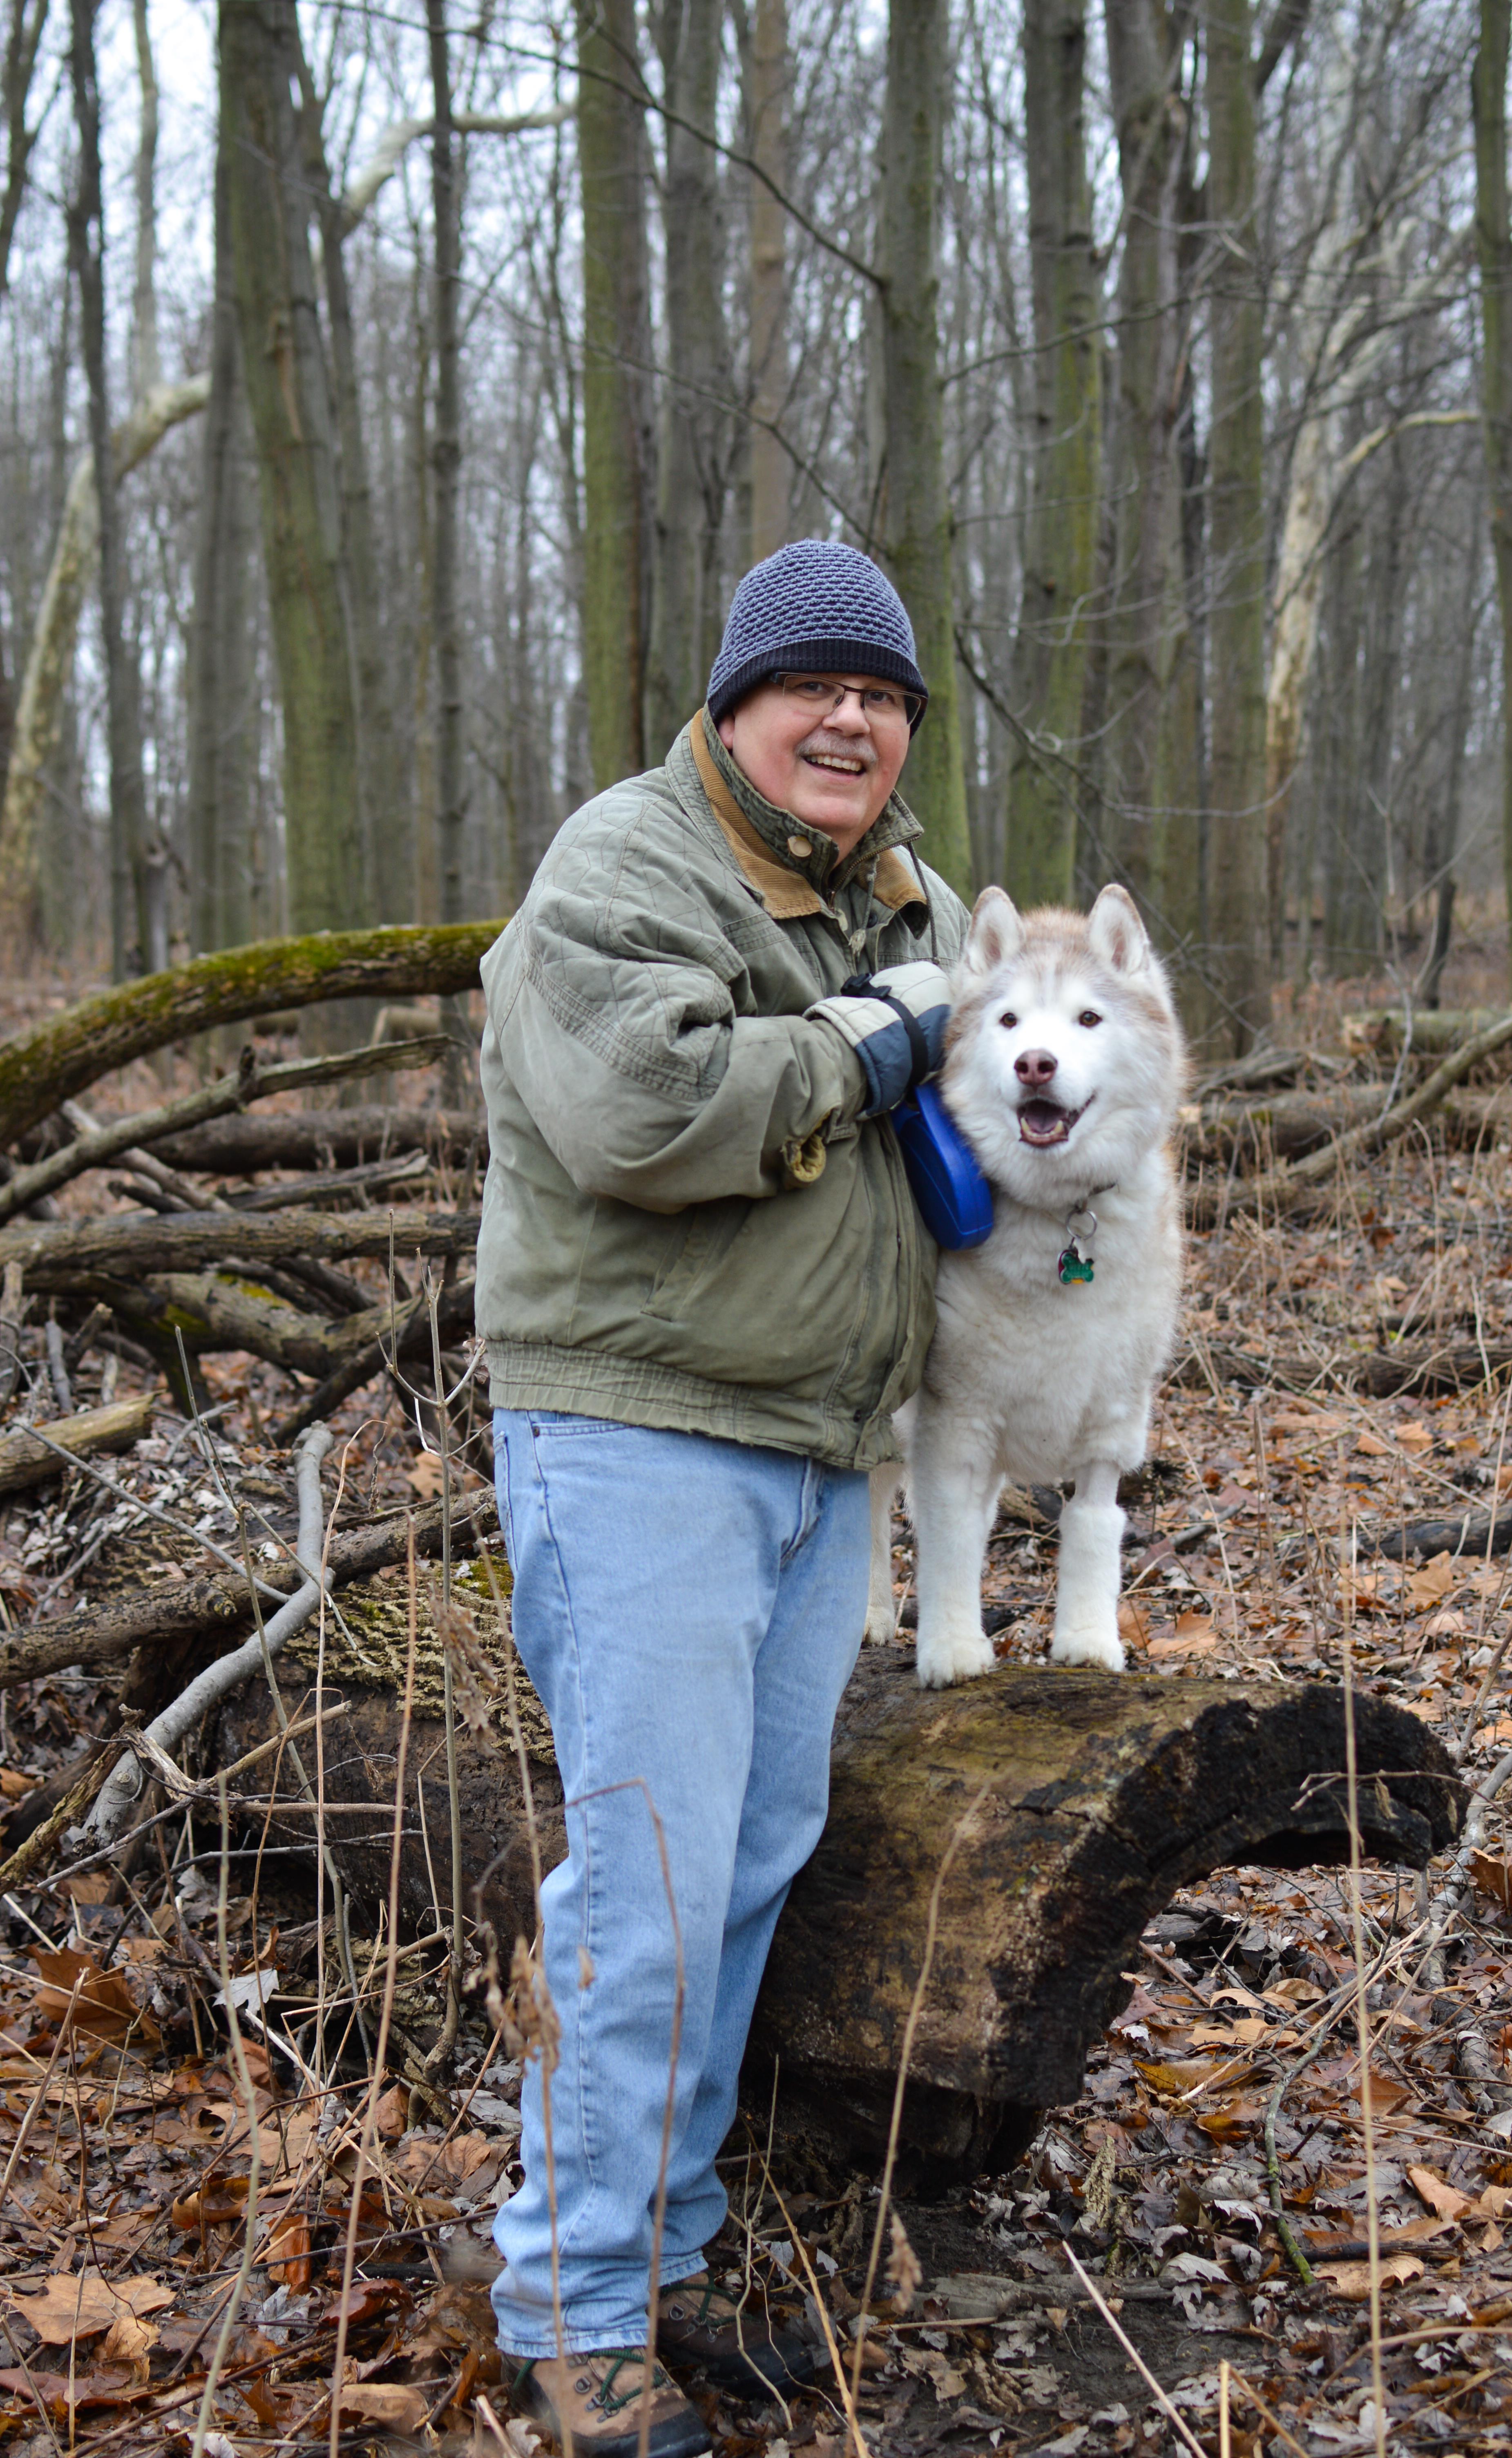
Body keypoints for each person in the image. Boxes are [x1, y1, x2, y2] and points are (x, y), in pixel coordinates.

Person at [475, 539, 967, 2455]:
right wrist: (867, 1043)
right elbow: (638, 1111)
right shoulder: (629, 864)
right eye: (812, 689)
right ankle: (574, 2314)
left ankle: (653, 2253)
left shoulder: (891, 893)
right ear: (736, 709)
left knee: (743, 1870)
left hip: (813, 1451)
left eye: (883, 695)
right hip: (641, 1441)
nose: (850, 720)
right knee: (651, 1896)